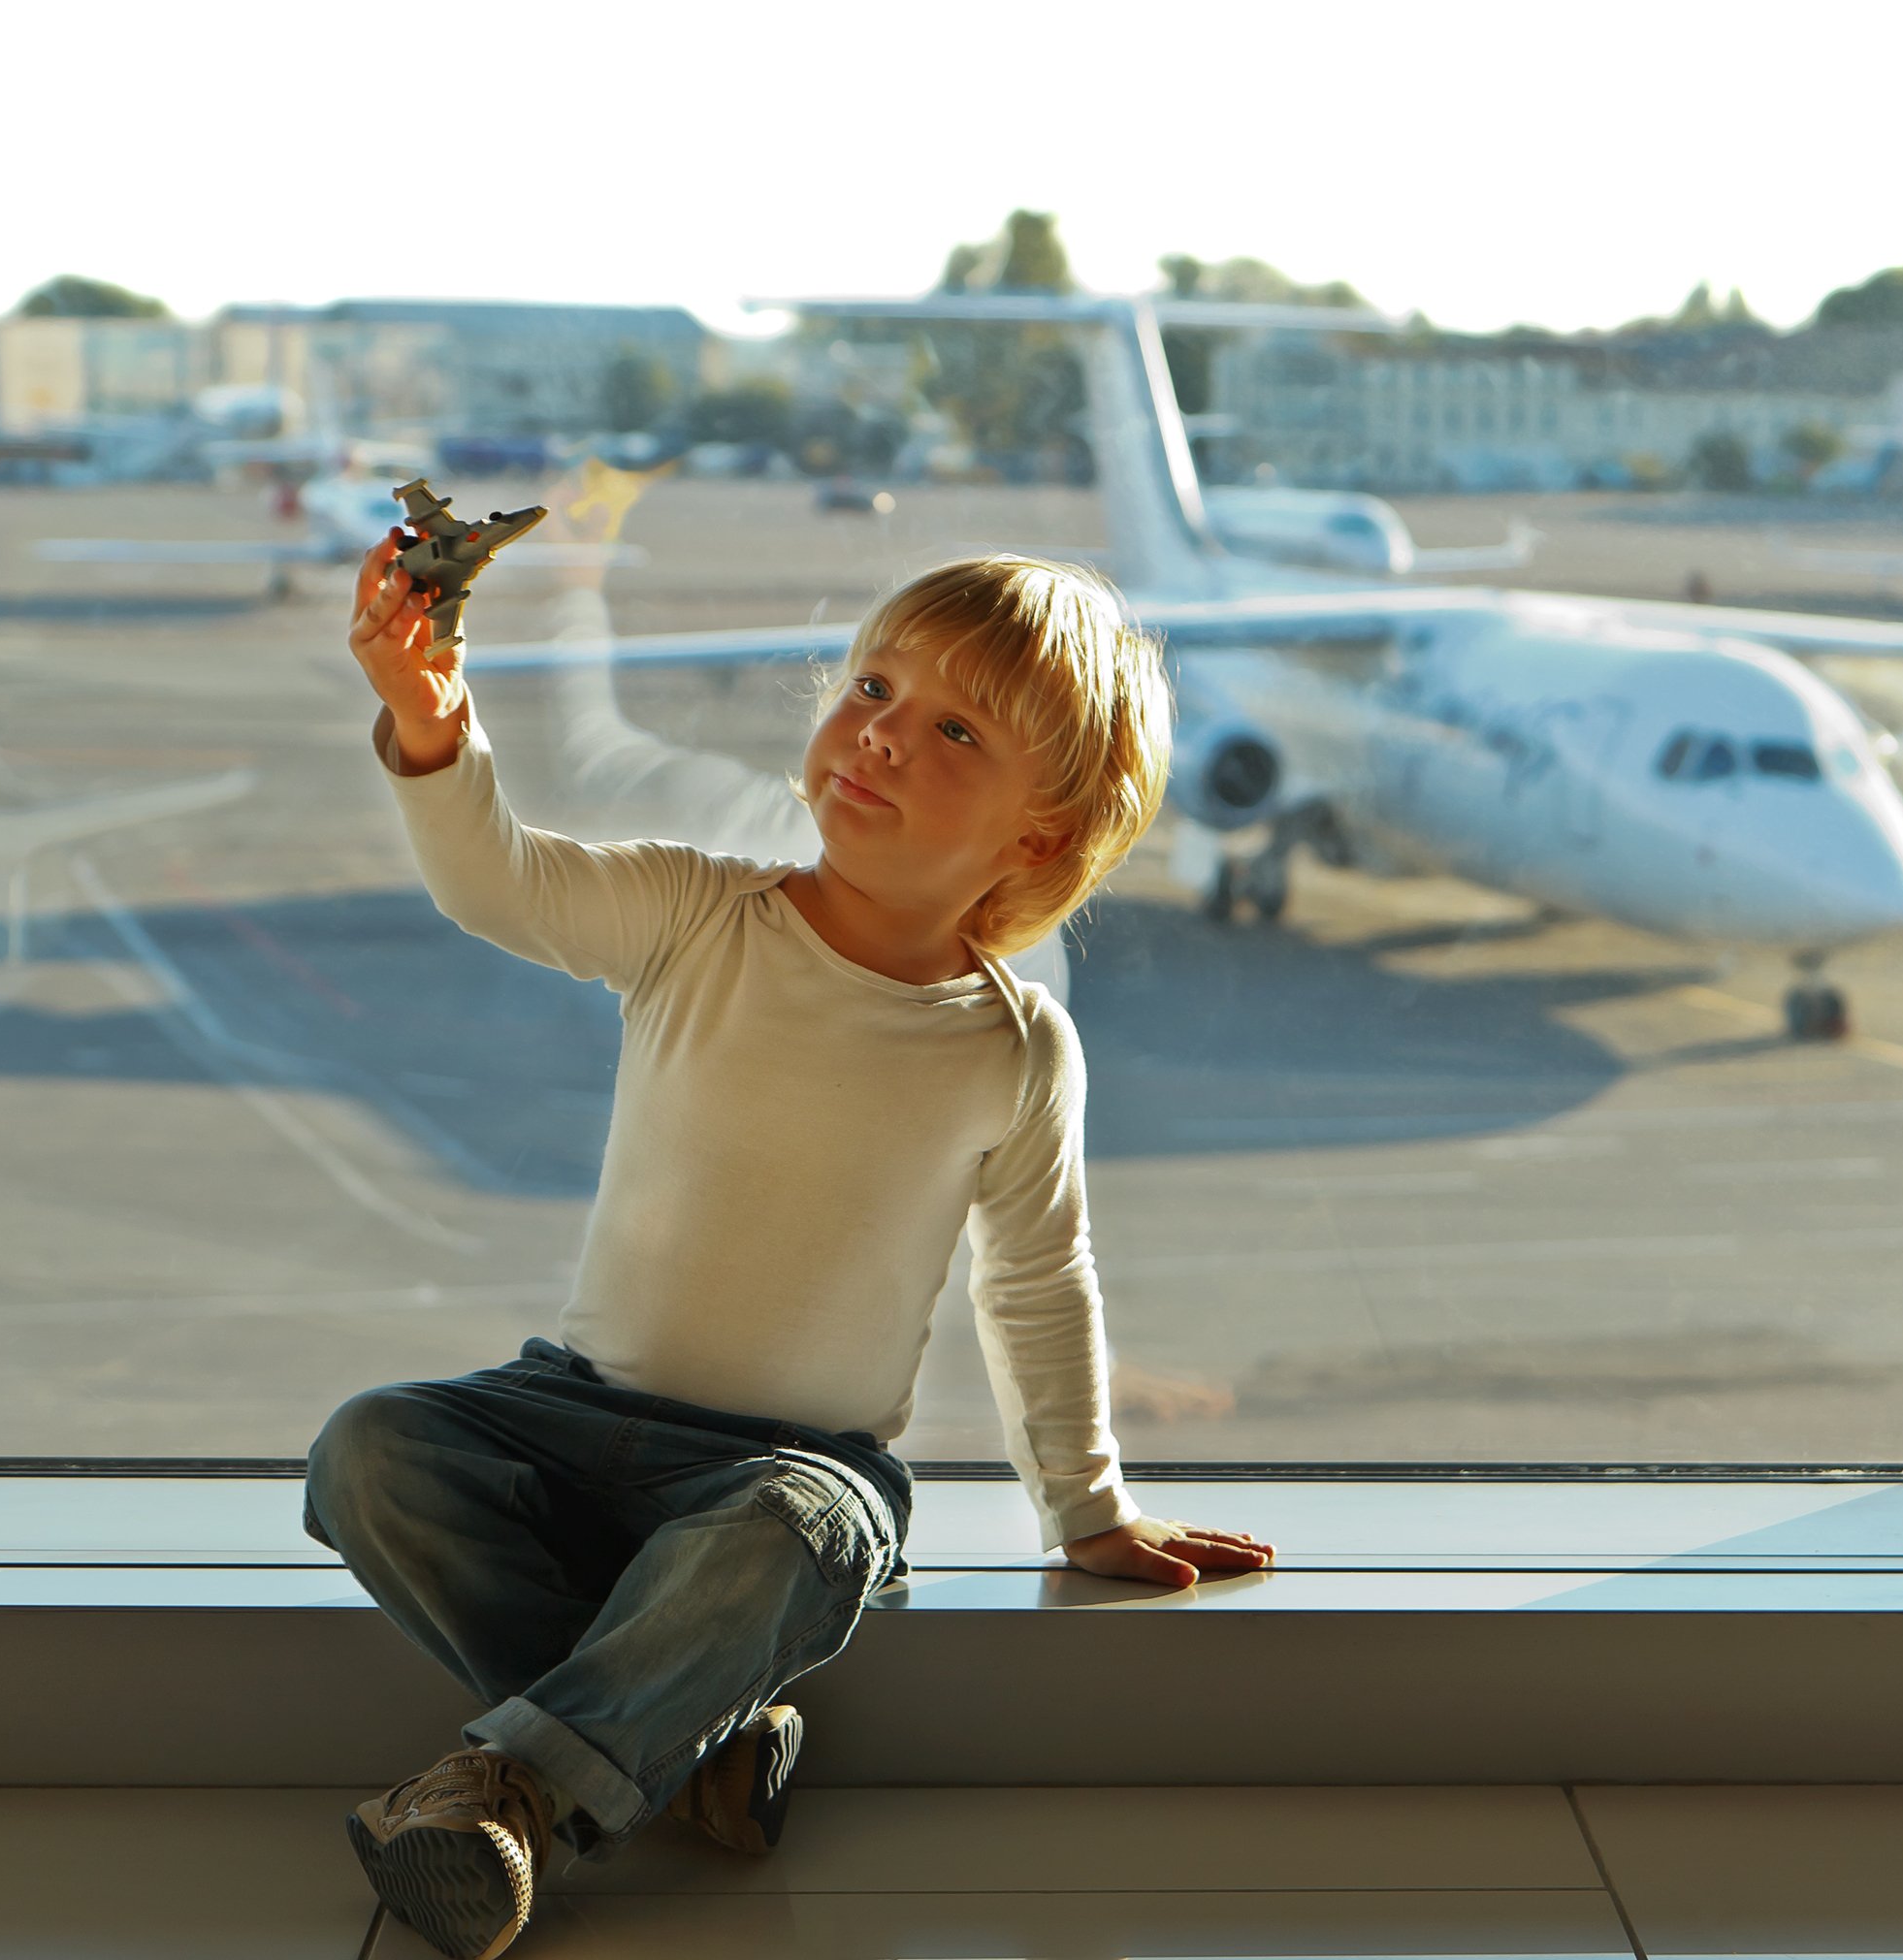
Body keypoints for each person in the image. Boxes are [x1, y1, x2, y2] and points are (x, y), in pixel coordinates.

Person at [306, 542, 1274, 1959]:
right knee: (369, 1453)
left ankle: (511, 1791)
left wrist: (1089, 1510)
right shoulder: (701, 914)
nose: (880, 729)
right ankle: (685, 1733)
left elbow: (1038, 1282)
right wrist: (433, 727)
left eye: (955, 729)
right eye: (874, 685)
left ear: (1039, 839)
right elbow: (496, 885)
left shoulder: (1012, 1049)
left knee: (799, 1536)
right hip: (573, 1413)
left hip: (789, 1471)